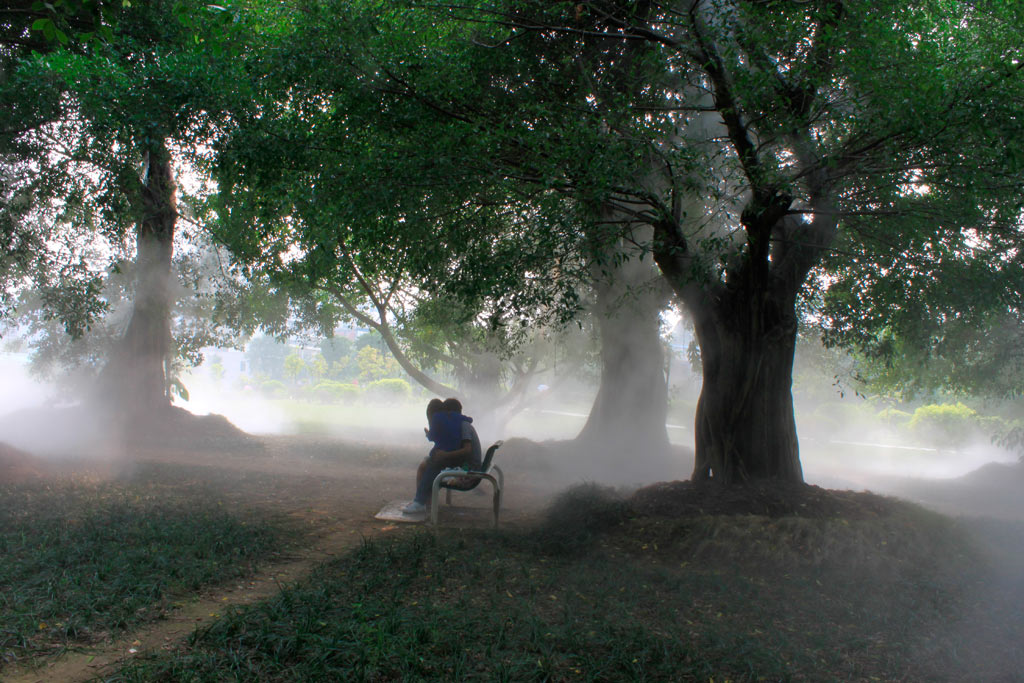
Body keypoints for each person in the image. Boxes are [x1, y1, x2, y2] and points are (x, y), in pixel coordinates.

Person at [403, 398, 481, 514]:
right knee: (429, 464)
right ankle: (422, 501)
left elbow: (467, 450)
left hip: (468, 469)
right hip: (464, 465)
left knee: (434, 465)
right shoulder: (461, 423)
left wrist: (445, 455)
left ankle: (419, 502)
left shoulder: (464, 425)